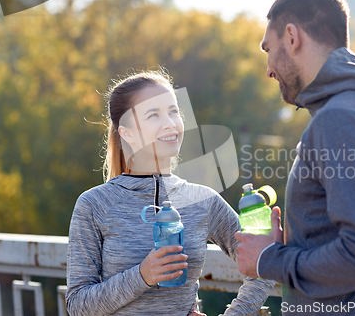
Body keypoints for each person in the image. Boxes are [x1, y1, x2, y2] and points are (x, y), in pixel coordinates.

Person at [235, 0, 355, 315]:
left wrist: (269, 259)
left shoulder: (340, 118)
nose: (269, 69)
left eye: (268, 49)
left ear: (292, 37)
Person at [66, 70, 274, 316]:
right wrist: (143, 275)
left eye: (173, 111)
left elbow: (265, 263)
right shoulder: (94, 204)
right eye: (154, 114)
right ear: (127, 132)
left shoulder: (203, 200)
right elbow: (77, 305)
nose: (170, 123)